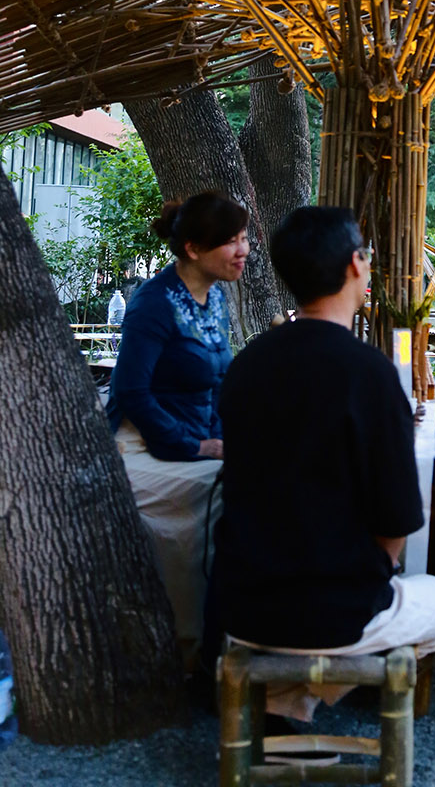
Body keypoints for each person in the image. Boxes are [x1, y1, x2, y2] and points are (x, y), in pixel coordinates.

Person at [211, 206, 435, 723]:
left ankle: (287, 705)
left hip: (240, 604)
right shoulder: (369, 373)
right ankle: (300, 693)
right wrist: (370, 580)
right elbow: (397, 519)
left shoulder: (247, 365)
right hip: (336, 612)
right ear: (355, 264)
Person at [106, 191, 250, 665]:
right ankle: (185, 649)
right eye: (231, 241)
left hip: (199, 436)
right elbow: (131, 392)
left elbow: (219, 382)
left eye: (244, 238)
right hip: (140, 443)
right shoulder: (153, 303)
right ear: (192, 248)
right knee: (226, 494)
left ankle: (230, 635)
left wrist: (228, 437)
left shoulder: (216, 297)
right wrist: (198, 446)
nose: (244, 250)